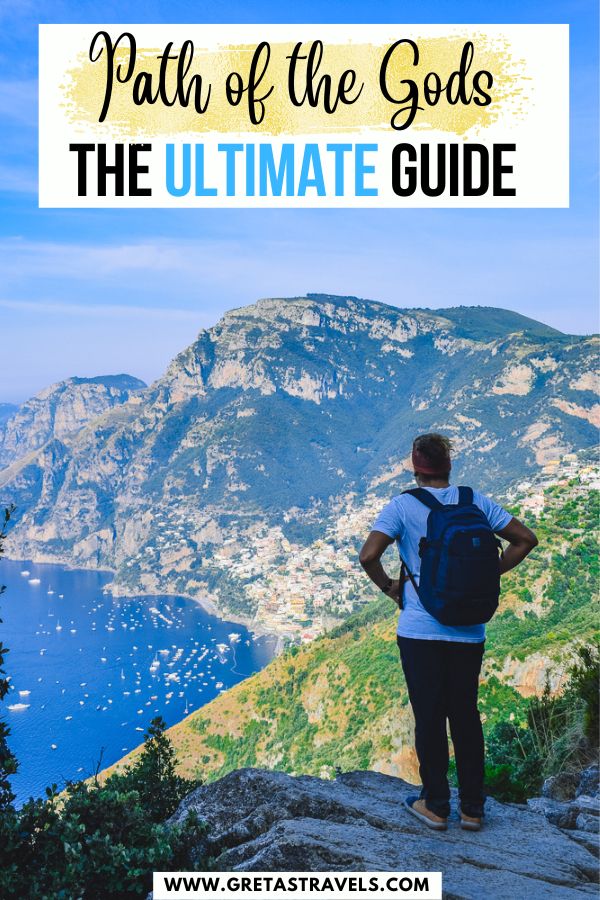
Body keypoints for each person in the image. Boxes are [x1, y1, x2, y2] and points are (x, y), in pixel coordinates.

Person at [359, 433, 538, 832]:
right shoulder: (476, 502)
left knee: (429, 716)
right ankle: (473, 809)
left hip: (420, 630)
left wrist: (391, 588)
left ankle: (436, 805)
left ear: (415, 466)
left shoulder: (402, 506)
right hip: (469, 630)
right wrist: (489, 574)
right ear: (449, 466)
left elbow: (368, 556)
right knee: (465, 715)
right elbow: (526, 539)